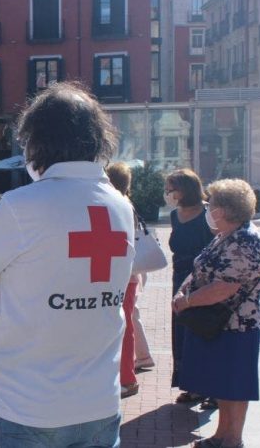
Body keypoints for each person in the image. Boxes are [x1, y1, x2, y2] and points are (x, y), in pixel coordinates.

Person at [0, 82, 134, 447]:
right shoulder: (120, 207)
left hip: (28, 407)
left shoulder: (22, 206)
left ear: (36, 142)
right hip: (99, 403)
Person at [172, 179, 260, 448]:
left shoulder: (245, 241)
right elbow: (200, 269)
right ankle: (221, 436)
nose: (207, 208)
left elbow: (223, 288)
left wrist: (187, 301)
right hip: (218, 326)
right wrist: (183, 291)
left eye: (211, 204)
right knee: (223, 385)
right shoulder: (226, 235)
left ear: (224, 209)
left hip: (236, 326)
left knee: (235, 387)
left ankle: (232, 439)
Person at [165, 169, 215, 406]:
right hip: (179, 278)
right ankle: (191, 386)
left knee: (203, 331)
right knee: (182, 332)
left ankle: (211, 387)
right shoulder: (175, 215)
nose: (168, 193)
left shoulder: (208, 213)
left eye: (171, 188)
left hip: (202, 281)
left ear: (185, 189)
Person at [105, 161, 145, 399]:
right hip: (117, 273)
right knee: (120, 325)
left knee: (124, 325)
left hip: (123, 276)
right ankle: (121, 376)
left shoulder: (120, 206)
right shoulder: (122, 204)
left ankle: (127, 378)